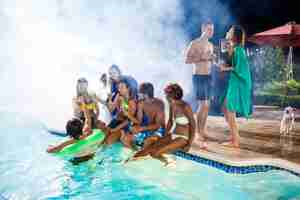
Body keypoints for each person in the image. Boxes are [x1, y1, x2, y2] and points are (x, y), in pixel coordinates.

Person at [129, 83, 195, 166]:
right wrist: (165, 135)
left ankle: (170, 162)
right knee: (149, 149)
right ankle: (129, 161)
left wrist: (189, 143)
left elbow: (193, 125)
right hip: (172, 134)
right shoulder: (172, 105)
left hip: (183, 138)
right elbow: (170, 122)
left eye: (167, 95)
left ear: (172, 95)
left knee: (155, 152)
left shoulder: (185, 107)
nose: (166, 97)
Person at [219, 25, 252, 148]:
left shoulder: (239, 50)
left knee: (229, 109)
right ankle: (235, 135)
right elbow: (229, 63)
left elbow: (239, 68)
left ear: (234, 36)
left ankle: (235, 141)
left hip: (239, 82)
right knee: (225, 107)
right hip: (235, 81)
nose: (227, 32)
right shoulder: (234, 48)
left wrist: (225, 68)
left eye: (229, 31)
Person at [185, 21, 214, 147]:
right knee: (203, 105)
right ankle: (197, 133)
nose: (211, 32)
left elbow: (210, 60)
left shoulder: (211, 45)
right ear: (202, 28)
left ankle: (202, 130)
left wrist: (215, 60)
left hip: (208, 76)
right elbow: (186, 60)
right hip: (198, 77)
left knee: (207, 106)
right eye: (209, 29)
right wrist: (202, 58)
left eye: (212, 29)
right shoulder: (195, 43)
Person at [120, 82, 166, 149]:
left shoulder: (159, 104)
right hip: (145, 129)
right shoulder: (141, 103)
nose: (138, 94)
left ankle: (143, 150)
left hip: (157, 130)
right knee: (124, 139)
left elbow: (158, 125)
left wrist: (141, 128)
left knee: (147, 143)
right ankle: (134, 152)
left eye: (139, 92)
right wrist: (127, 114)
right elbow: (139, 121)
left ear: (145, 94)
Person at [101, 78, 138, 146]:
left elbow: (128, 121)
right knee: (103, 137)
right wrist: (109, 98)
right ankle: (96, 151)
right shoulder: (119, 97)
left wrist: (115, 129)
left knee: (109, 141)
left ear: (128, 88)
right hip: (116, 121)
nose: (119, 89)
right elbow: (111, 109)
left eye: (122, 87)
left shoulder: (131, 102)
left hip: (124, 125)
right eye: (118, 87)